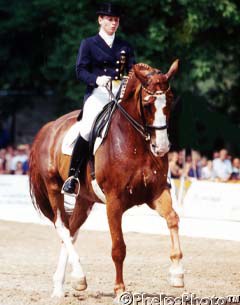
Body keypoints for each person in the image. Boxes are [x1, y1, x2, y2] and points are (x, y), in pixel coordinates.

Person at [62, 2, 136, 196]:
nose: (113, 23)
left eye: (116, 20)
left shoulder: (125, 46)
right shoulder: (89, 43)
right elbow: (80, 71)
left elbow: (133, 70)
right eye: (110, 20)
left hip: (120, 95)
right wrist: (96, 79)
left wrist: (128, 81)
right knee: (87, 129)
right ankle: (73, 177)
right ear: (100, 20)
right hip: (98, 93)